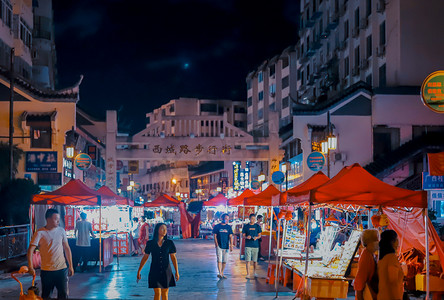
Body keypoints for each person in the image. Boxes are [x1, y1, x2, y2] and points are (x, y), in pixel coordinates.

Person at [27, 208, 74, 299]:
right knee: (46, 296)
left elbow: (67, 248)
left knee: (63, 295)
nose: (58, 221)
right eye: (56, 219)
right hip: (47, 271)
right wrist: (30, 267)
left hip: (62, 269)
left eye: (58, 219)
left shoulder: (61, 231)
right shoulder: (40, 233)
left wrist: (71, 266)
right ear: (48, 219)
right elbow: (30, 250)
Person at [137, 223, 179, 300]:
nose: (165, 231)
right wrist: (139, 270)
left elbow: (173, 258)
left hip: (166, 271)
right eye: (162, 229)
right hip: (154, 271)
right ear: (157, 230)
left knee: (165, 293)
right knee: (157, 293)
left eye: (165, 229)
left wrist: (176, 271)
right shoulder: (150, 243)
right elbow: (145, 257)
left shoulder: (169, 243)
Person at [377, 230, 405, 300]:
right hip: (391, 297)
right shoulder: (391, 258)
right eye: (396, 239)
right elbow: (393, 282)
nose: (398, 242)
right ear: (392, 242)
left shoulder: (382, 258)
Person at [354, 229, 379, 300]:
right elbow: (360, 280)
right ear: (370, 242)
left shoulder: (371, 254)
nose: (378, 242)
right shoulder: (366, 256)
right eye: (376, 240)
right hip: (365, 295)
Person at [212, 213, 233, 279]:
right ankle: (220, 273)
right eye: (225, 218)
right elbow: (215, 236)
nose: (226, 220)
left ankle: (222, 272)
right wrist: (216, 244)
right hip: (219, 246)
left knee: (224, 261)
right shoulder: (217, 226)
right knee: (219, 260)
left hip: (226, 246)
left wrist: (231, 245)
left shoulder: (228, 227)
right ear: (222, 219)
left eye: (227, 219)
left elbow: (231, 236)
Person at [242, 214, 262, 279]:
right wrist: (246, 237)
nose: (253, 220)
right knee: (248, 260)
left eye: (254, 219)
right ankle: (248, 274)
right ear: (249, 218)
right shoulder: (246, 226)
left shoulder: (257, 226)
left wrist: (256, 237)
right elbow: (243, 235)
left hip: (255, 245)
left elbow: (260, 235)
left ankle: (254, 272)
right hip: (248, 245)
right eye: (252, 219)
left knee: (255, 260)